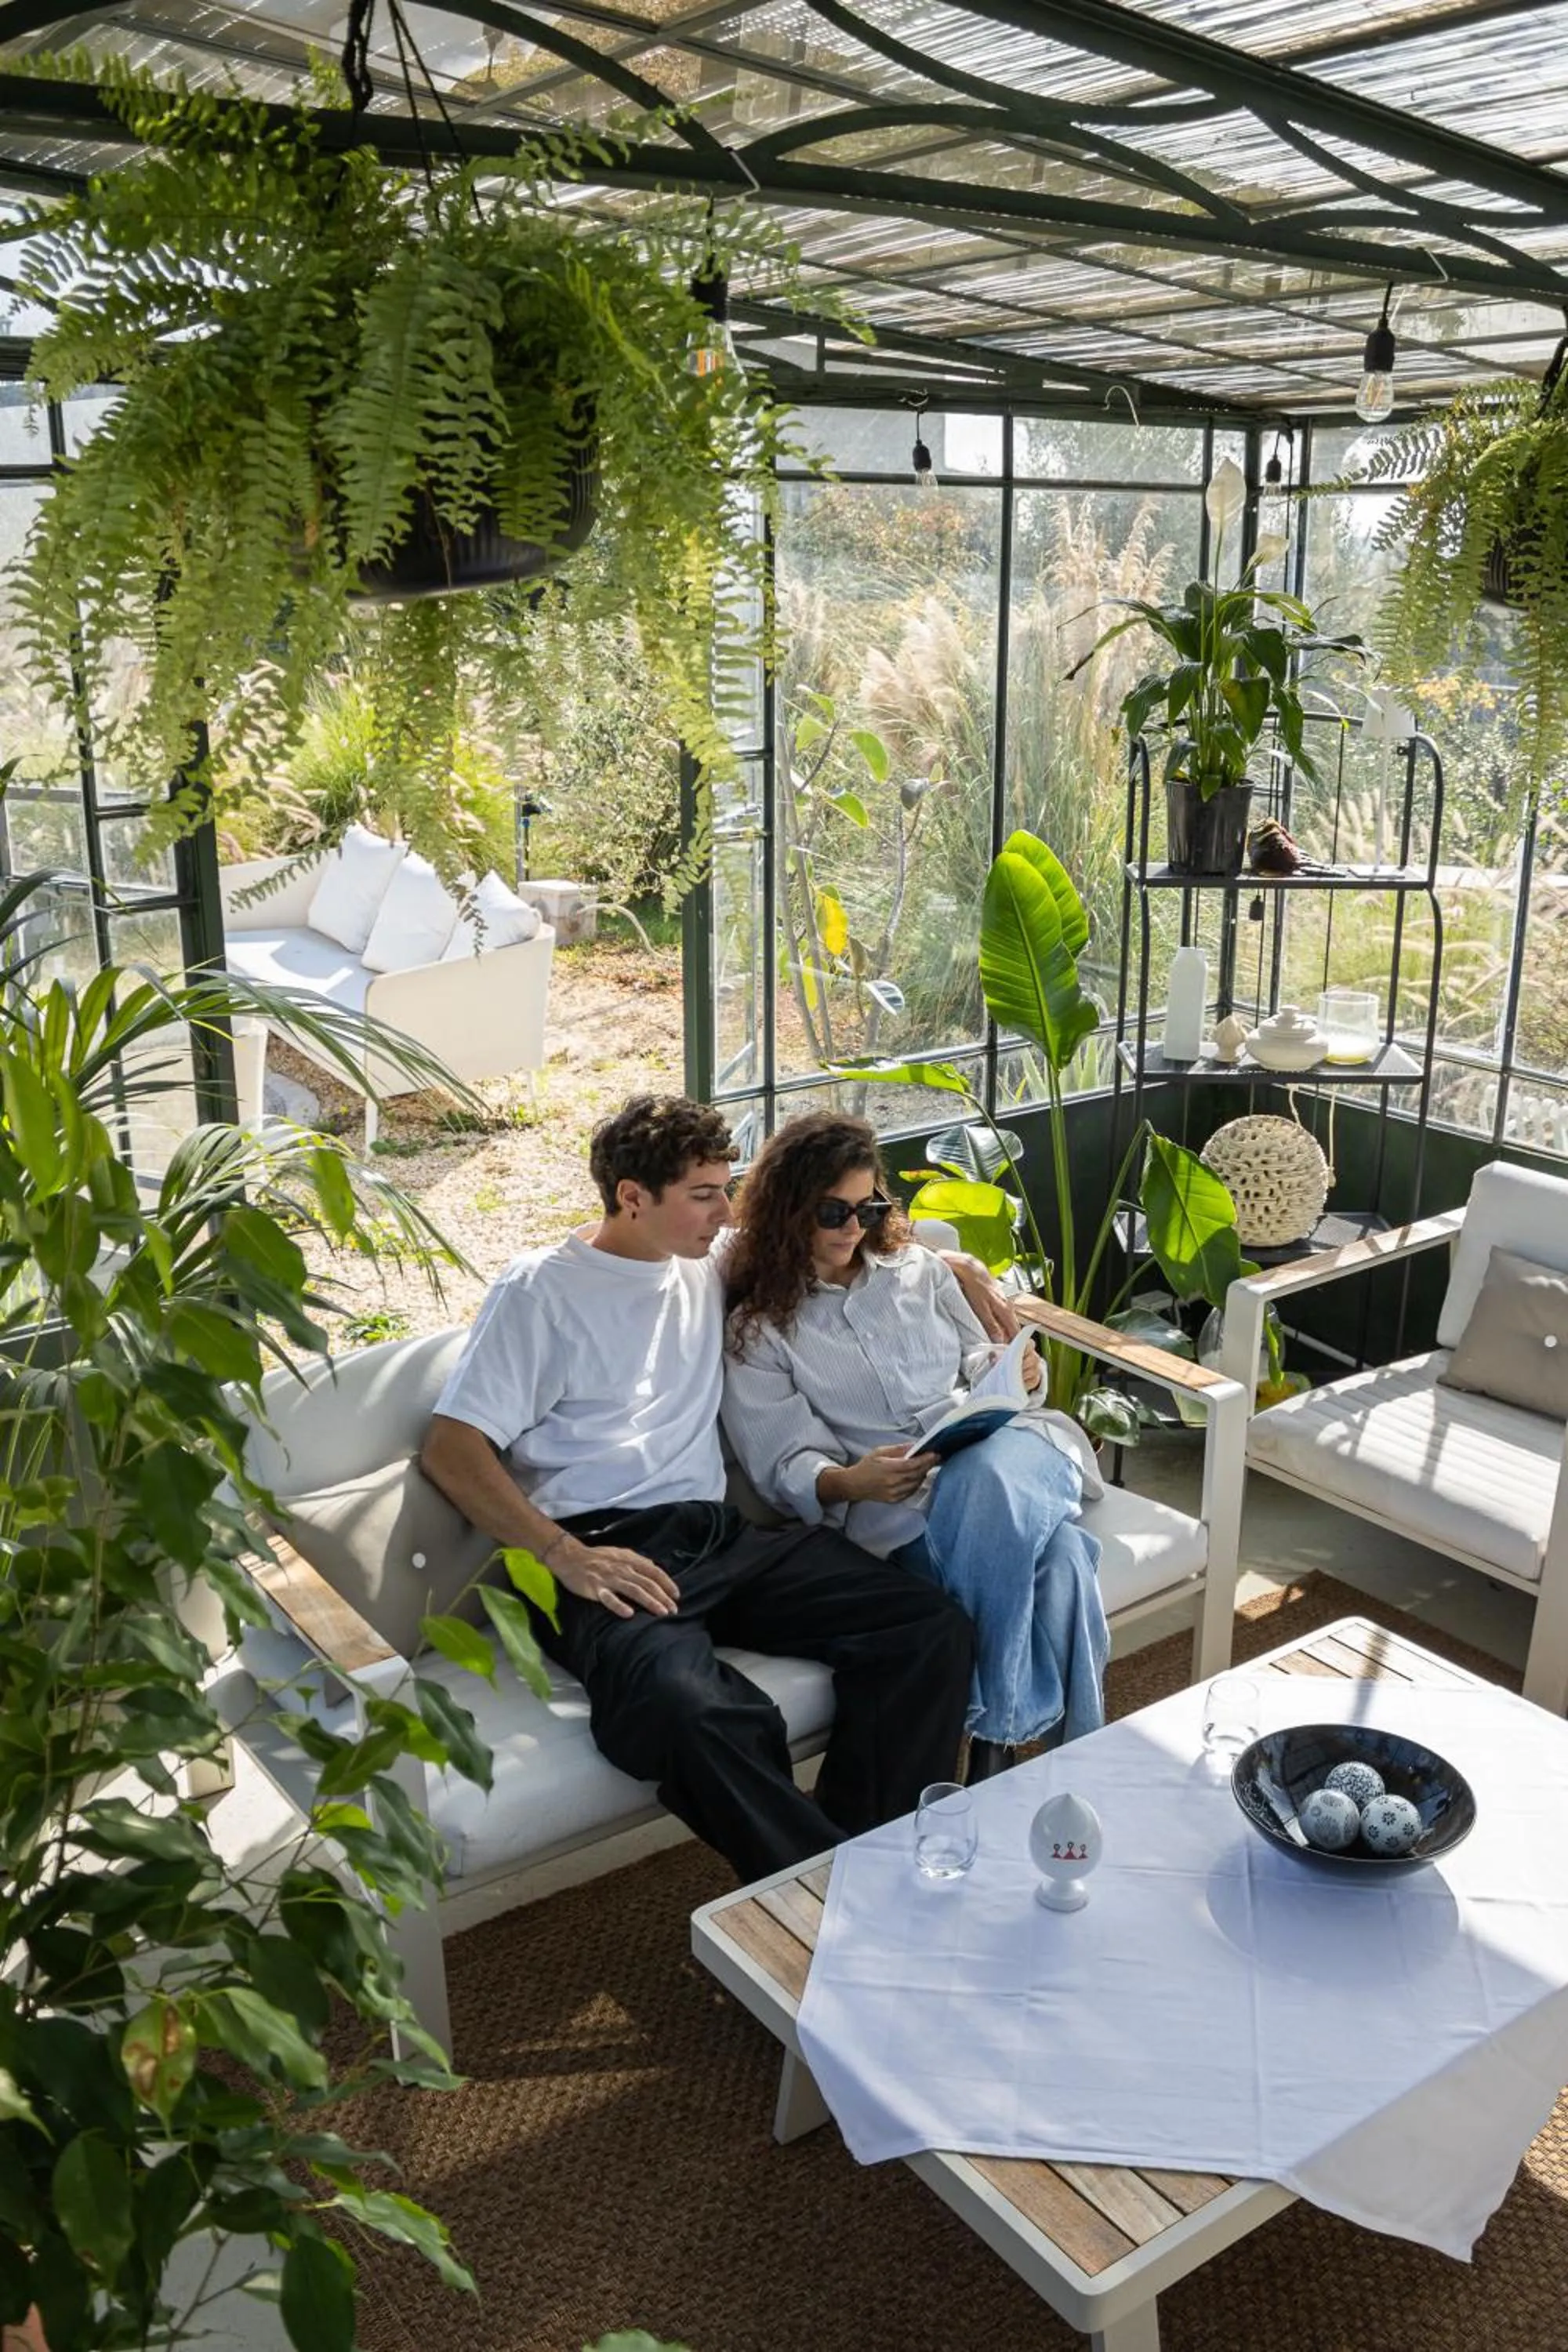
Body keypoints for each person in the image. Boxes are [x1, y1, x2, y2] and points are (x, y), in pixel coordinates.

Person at [419, 1094, 985, 1886]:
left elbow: (851, 1234)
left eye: (727, 1188)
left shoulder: (706, 1256)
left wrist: (959, 1265)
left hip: (718, 1536)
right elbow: (452, 1447)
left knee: (925, 1629)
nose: (727, 1213)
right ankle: (826, 1897)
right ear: (630, 1197)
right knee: (690, 1711)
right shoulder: (539, 1293)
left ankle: (867, 1862)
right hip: (604, 1553)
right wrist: (562, 1555)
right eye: (704, 1194)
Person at [720, 1113, 1109, 1780]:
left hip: (1014, 1453)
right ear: (787, 1210)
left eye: (868, 1207)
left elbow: (978, 1356)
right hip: (904, 1511)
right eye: (832, 1210)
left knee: (983, 1474)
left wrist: (1016, 1369)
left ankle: (996, 1730)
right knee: (1066, 1558)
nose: (853, 1227)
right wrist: (849, 1483)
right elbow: (782, 1463)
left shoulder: (922, 1270)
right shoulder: (759, 1331)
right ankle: (1074, 1764)